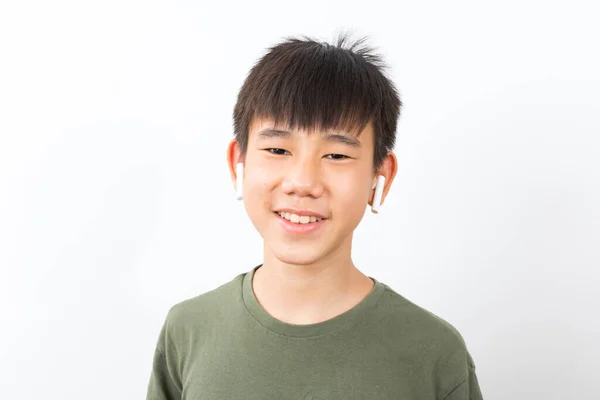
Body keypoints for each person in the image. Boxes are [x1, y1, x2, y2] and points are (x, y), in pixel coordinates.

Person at [146, 32, 483, 399]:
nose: (303, 182)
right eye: (277, 149)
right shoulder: (188, 331)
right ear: (237, 162)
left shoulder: (433, 353)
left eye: (336, 155)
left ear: (379, 176)